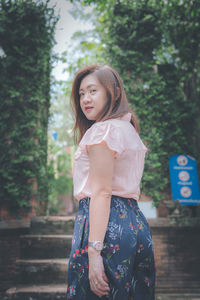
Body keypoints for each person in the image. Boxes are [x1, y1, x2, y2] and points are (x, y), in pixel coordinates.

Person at [66, 64, 155, 300]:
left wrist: (94, 254)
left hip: (103, 227)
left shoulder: (101, 131)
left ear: (113, 92)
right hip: (136, 226)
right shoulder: (129, 130)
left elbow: (102, 193)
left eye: (92, 90)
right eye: (82, 93)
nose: (85, 98)